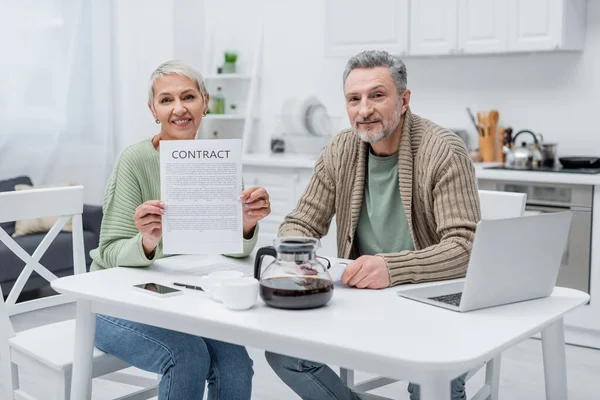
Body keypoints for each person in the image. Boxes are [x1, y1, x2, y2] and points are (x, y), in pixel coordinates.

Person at [265, 50, 480, 400]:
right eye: (354, 99)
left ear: (404, 99)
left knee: (432, 380)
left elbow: (465, 248)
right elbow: (301, 221)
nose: (364, 110)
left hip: (433, 302)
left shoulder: (444, 151)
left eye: (377, 95)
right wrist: (295, 255)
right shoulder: (340, 149)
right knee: (285, 353)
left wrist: (392, 267)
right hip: (361, 302)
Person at [89, 60, 272, 400]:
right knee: (187, 357)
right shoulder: (134, 160)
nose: (179, 108)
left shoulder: (220, 159)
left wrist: (245, 225)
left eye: (188, 97)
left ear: (205, 102)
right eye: (166, 100)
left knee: (235, 364)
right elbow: (110, 252)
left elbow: (232, 249)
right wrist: (146, 240)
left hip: (181, 298)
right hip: (112, 304)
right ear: (153, 110)